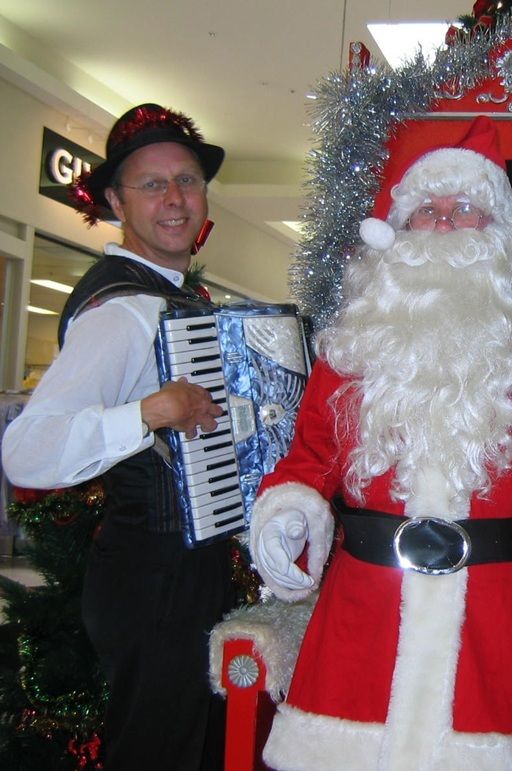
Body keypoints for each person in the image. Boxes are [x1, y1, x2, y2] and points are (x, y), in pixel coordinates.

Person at [248, 116, 512, 771]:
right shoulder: (355, 339)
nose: (443, 224)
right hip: (366, 616)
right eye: (425, 212)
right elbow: (310, 456)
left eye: (463, 209)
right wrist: (290, 510)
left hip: (500, 627)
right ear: (398, 231)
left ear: (496, 230)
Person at [2, 103, 233, 771]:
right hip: (150, 573)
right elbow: (26, 450)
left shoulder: (175, 297)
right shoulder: (120, 311)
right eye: (152, 184)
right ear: (115, 201)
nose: (174, 199)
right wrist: (149, 412)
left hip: (186, 570)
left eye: (186, 180)